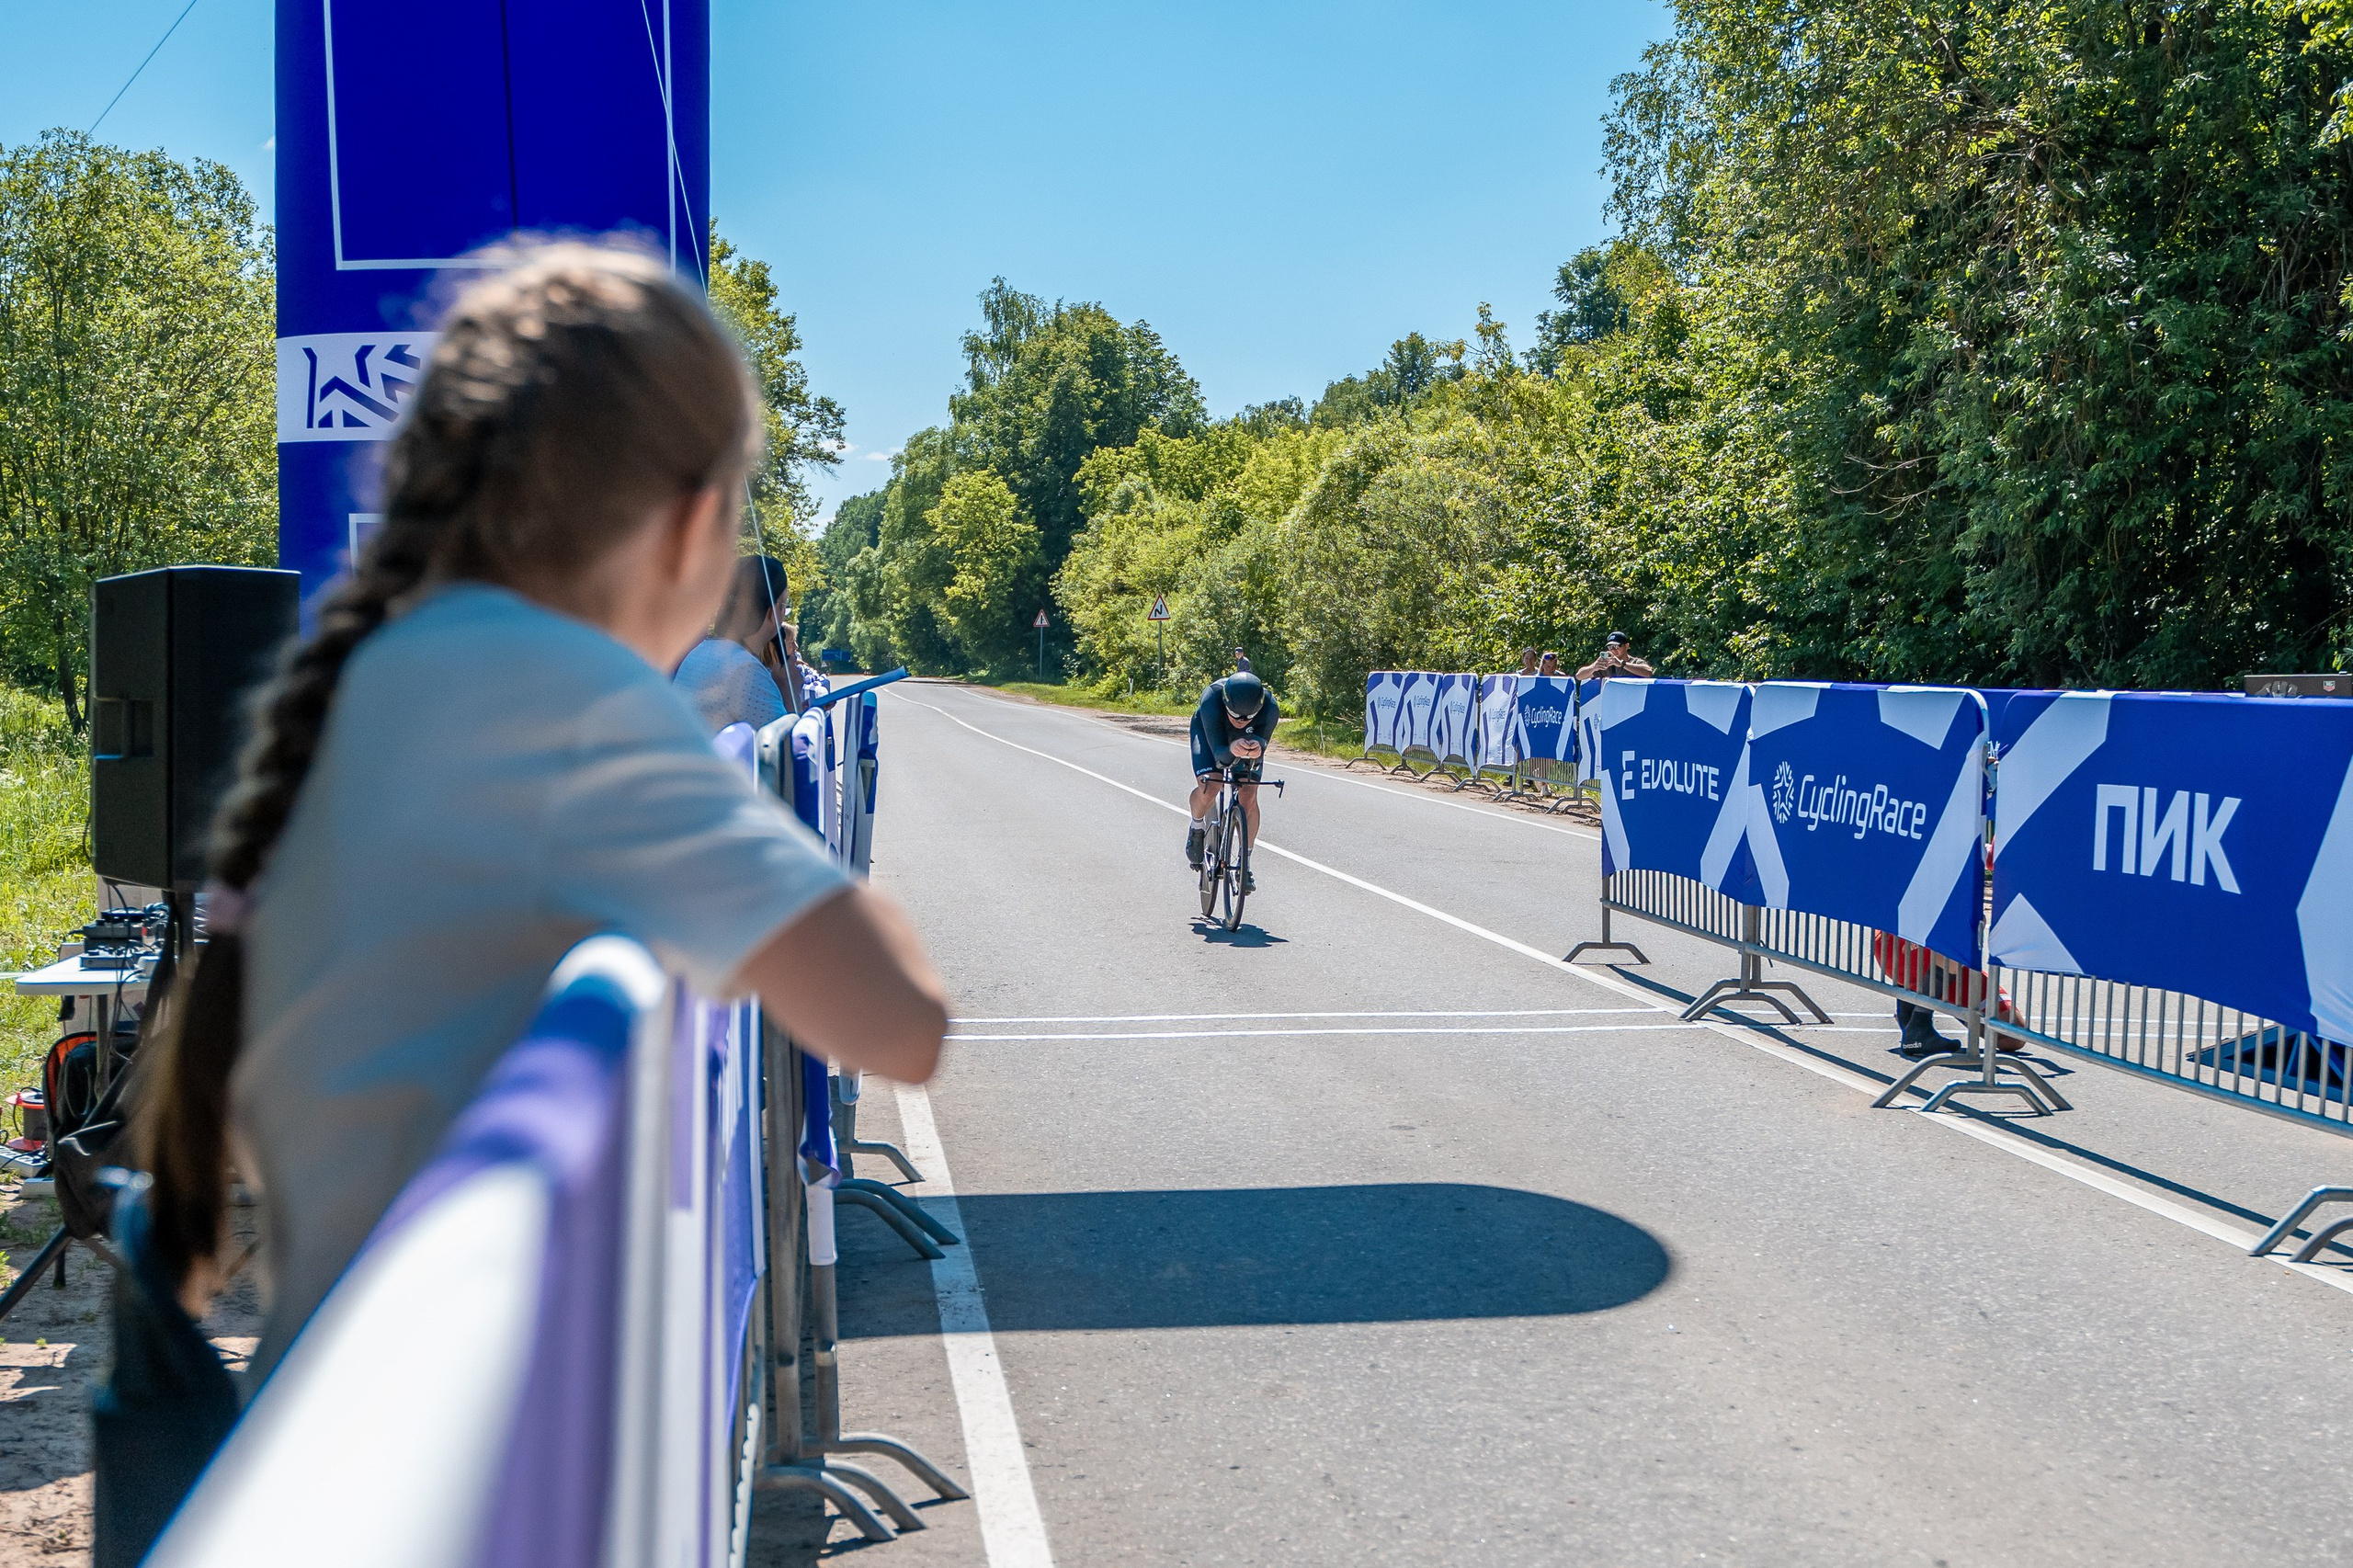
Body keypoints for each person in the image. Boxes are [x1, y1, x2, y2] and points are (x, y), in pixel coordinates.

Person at [131, 241, 950, 1388]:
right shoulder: (574, 707)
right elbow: (900, 1018)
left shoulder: (380, 678)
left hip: (343, 1404)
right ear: (685, 522)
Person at [675, 554, 796, 732]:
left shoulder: (699, 652)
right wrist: (789, 687)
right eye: (784, 605)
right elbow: (788, 752)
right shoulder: (746, 671)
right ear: (772, 611)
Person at [1186, 670, 1278, 891]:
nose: (1241, 721)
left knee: (1249, 794)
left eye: (1247, 717)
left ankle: (1245, 863)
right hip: (1211, 736)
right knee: (1211, 786)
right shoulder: (1212, 699)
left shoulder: (1270, 706)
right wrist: (1230, 749)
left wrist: (1259, 747)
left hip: (1247, 739)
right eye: (1235, 716)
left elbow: (1263, 742)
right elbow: (1219, 753)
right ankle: (1197, 826)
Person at [1576, 631, 1654, 681]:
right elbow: (1579, 676)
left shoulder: (1635, 662)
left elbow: (1648, 672)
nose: (1613, 650)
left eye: (1617, 646)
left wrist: (1622, 664)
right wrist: (1594, 667)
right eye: (1610, 647)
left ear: (1626, 646)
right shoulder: (1606, 665)